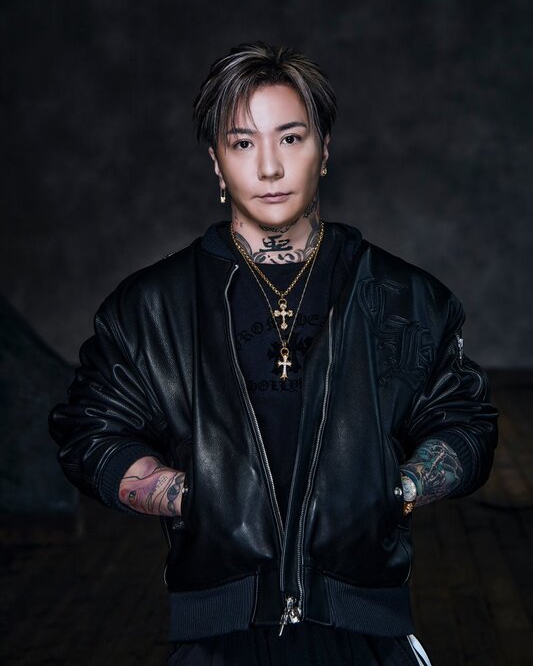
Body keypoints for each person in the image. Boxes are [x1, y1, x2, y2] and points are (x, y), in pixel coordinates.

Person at [49, 42, 498, 666]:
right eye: (242, 143)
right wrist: (188, 496)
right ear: (216, 162)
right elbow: (90, 433)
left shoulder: (406, 297)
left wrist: (396, 488)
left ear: (324, 150)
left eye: (290, 138)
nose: (268, 168)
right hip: (216, 635)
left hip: (366, 626)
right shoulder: (151, 306)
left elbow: (465, 422)